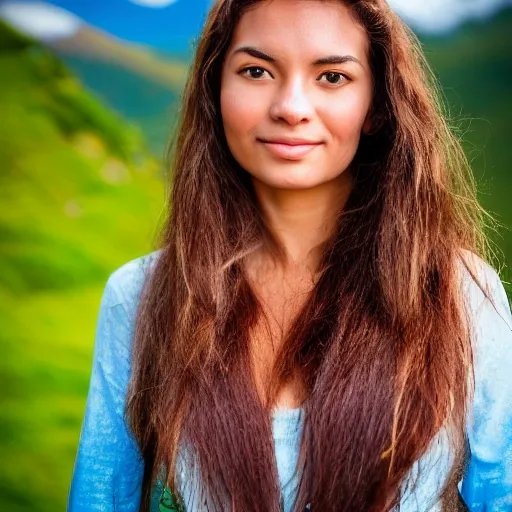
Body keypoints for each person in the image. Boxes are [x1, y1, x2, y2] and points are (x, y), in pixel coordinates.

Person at [67, 0, 512, 511]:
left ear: (377, 105)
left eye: (332, 77)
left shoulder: (459, 294)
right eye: (256, 71)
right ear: (216, 90)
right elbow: (102, 499)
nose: (291, 106)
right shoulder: (141, 297)